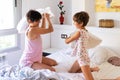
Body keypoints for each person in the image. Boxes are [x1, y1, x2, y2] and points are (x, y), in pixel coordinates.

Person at [65, 11, 99, 80]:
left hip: (82, 57)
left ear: (81, 23)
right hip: (80, 56)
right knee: (71, 72)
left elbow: (67, 42)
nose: (74, 23)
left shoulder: (79, 32)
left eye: (75, 21)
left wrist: (67, 38)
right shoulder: (86, 31)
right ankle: (90, 69)